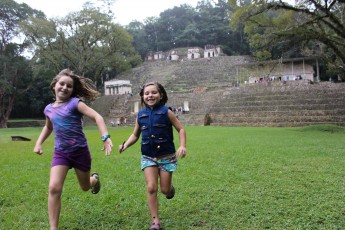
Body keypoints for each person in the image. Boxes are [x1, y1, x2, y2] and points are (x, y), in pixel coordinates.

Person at [33, 69, 113, 230]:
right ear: (55, 85)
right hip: (61, 153)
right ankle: (53, 227)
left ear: (72, 90)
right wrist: (38, 143)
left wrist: (105, 137)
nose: (64, 88)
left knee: (85, 187)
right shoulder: (48, 109)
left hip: (80, 152)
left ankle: (94, 180)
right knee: (54, 187)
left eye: (69, 86)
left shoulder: (75, 103)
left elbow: (98, 117)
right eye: (62, 84)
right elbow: (48, 127)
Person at [119, 82, 186, 230]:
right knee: (151, 187)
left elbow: (180, 129)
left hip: (166, 156)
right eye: (147, 93)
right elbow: (135, 135)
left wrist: (182, 145)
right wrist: (125, 145)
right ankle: (155, 222)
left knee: (164, 189)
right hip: (148, 156)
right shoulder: (140, 115)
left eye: (154, 92)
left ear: (161, 95)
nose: (150, 95)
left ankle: (170, 190)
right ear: (143, 97)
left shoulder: (167, 112)